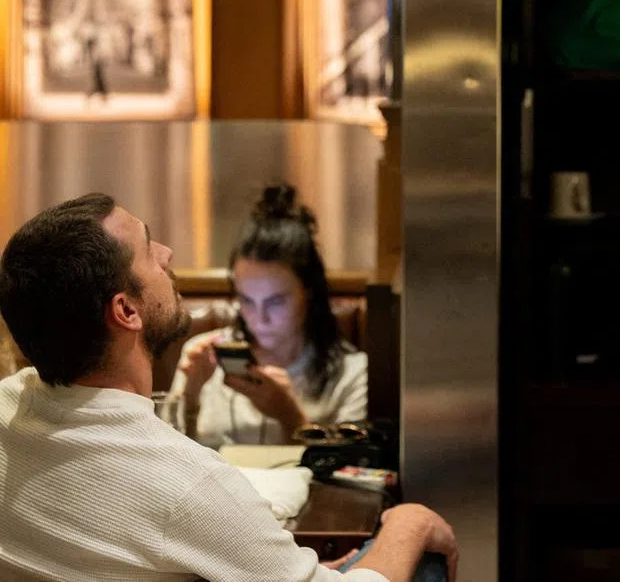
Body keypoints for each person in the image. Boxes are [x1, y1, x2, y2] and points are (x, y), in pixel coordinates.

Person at [0, 193, 456, 582]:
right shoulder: (191, 485)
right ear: (126, 310)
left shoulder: (7, 405)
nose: (167, 252)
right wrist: (408, 523)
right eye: (147, 247)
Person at [171, 184, 368, 447]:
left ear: (308, 292)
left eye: (275, 302)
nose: (259, 318)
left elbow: (351, 473)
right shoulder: (202, 356)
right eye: (247, 300)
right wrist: (191, 397)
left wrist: (291, 416)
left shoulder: (350, 372)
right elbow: (167, 460)